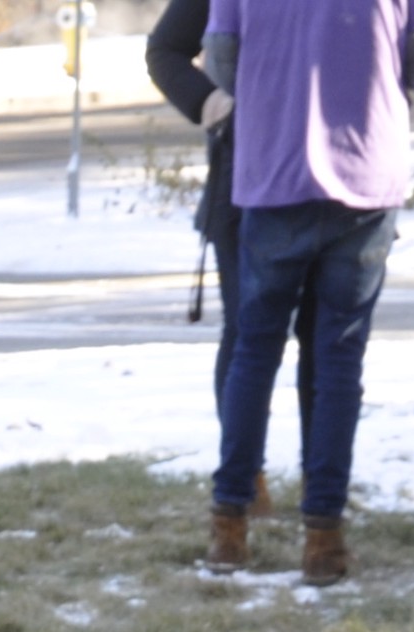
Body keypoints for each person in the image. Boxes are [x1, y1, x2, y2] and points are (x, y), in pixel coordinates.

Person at [200, 0, 414, 586]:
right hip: (365, 170)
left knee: (253, 353)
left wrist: (275, 83)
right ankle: (323, 537)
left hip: (273, 170)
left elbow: (221, 60)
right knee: (338, 359)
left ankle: (229, 526)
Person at [148, 0, 312, 496]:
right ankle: (245, 481)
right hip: (242, 186)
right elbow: (165, 51)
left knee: (325, 337)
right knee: (248, 335)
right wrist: (215, 107)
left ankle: (321, 482)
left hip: (330, 176)